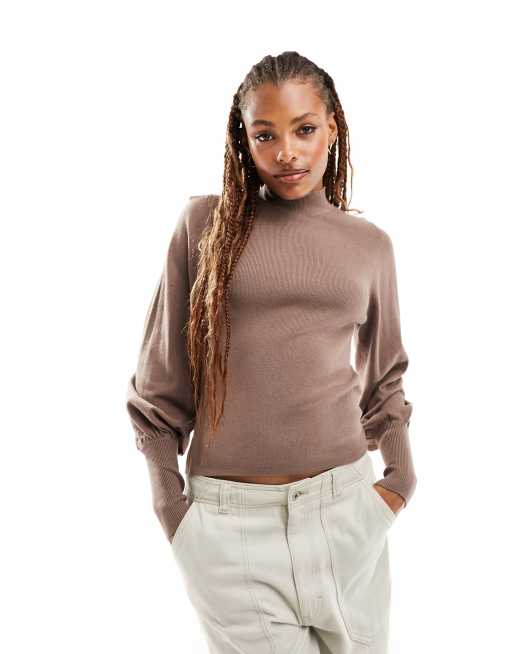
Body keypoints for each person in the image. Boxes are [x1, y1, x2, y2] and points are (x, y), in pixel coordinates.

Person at [126, 50, 417, 654]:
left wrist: (400, 478)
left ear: (332, 127)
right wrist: (171, 508)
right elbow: (157, 389)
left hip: (347, 516)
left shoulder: (369, 246)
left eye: (304, 129)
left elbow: (385, 378)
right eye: (266, 134)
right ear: (244, 139)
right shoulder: (203, 226)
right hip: (231, 531)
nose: (287, 151)